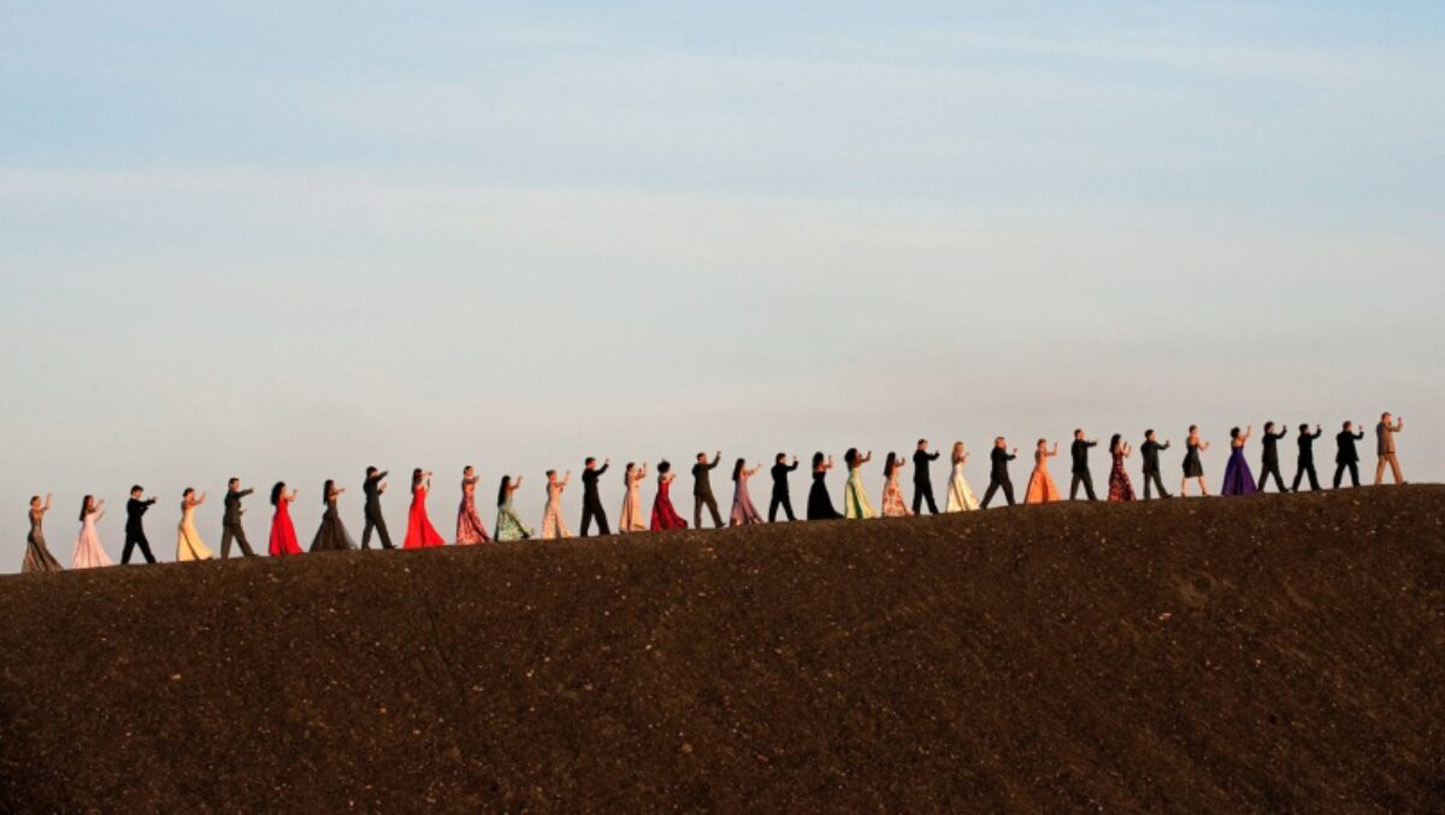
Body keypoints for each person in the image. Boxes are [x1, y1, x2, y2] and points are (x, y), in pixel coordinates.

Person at [403, 469, 446, 548]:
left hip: (421, 506)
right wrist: (427, 473)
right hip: (416, 506)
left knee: (423, 523)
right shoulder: (416, 483)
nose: (422, 474)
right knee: (419, 523)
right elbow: (420, 482)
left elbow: (424, 495)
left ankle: (425, 540)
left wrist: (428, 487)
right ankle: (422, 541)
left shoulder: (419, 483)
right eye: (420, 473)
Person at [310, 479, 357, 551]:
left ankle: (334, 544)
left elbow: (335, 493)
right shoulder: (329, 492)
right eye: (332, 485)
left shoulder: (332, 492)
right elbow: (334, 494)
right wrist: (340, 490)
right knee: (331, 529)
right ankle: (331, 545)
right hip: (331, 512)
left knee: (334, 529)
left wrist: (338, 491)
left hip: (334, 511)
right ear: (329, 486)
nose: (333, 486)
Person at [23, 494, 63, 573]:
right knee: (41, 551)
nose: (39, 502)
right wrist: (40, 512)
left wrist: (48, 498)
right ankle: (49, 566)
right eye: (38, 501)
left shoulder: (38, 509)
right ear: (33, 502)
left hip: (38, 532)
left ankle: (43, 567)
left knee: (39, 551)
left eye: (40, 501)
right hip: (35, 533)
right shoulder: (32, 510)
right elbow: (36, 518)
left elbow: (47, 507)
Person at [71, 495, 112, 569]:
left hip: (92, 530)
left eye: (92, 500)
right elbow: (94, 510)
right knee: (88, 546)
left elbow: (93, 521)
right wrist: (99, 503)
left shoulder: (90, 510)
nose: (92, 502)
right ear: (86, 502)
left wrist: (100, 516)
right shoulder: (86, 510)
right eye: (90, 500)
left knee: (95, 546)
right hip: (87, 531)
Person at [220, 478, 256, 559]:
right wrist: (249, 490)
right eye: (236, 484)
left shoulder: (230, 495)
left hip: (229, 519)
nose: (238, 485)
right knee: (240, 538)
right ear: (230, 485)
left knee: (227, 539)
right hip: (233, 521)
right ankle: (249, 554)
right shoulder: (232, 494)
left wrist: (240, 512)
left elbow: (231, 509)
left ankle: (224, 556)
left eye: (238, 484)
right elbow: (239, 494)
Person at [122, 485, 158, 565]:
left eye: (141, 492)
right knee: (136, 547)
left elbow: (139, 514)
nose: (140, 494)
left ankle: (151, 562)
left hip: (135, 528)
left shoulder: (134, 502)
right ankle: (152, 562)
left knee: (135, 547)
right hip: (134, 529)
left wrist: (145, 506)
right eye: (139, 492)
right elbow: (141, 504)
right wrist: (152, 501)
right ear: (134, 492)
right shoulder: (132, 501)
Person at [455, 466, 491, 545]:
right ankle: (483, 536)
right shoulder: (465, 480)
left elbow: (472, 481)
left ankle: (477, 536)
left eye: (472, 470)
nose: (472, 472)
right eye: (470, 470)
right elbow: (470, 482)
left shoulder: (469, 479)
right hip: (467, 502)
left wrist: (475, 479)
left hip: (471, 501)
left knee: (472, 519)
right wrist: (475, 479)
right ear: (466, 471)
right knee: (472, 519)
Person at [361, 466, 394, 550]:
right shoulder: (371, 481)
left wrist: (381, 490)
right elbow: (377, 478)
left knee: (368, 527)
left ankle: (364, 545)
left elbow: (373, 495)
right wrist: (385, 473)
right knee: (381, 526)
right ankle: (387, 545)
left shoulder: (366, 483)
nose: (377, 474)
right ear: (371, 473)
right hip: (374, 508)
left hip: (369, 507)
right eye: (375, 472)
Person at [650, 461, 689, 531]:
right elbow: (666, 478)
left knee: (668, 511)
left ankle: (667, 525)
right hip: (661, 496)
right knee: (664, 512)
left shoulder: (663, 475)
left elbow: (669, 480)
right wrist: (671, 476)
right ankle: (667, 525)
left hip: (664, 496)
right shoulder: (662, 475)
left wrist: (671, 477)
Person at [177, 488, 213, 561]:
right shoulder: (186, 502)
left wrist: (200, 499)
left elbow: (197, 502)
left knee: (184, 541)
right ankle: (204, 555)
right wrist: (203, 496)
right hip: (187, 523)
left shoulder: (185, 502)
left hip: (183, 523)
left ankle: (184, 557)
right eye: (192, 493)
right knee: (195, 539)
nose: (193, 495)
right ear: (188, 493)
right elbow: (198, 502)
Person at [1220, 426, 1258, 496]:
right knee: (1240, 473)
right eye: (1239, 432)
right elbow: (1247, 436)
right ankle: (1241, 490)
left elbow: (1247, 436)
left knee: (1235, 474)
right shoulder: (1237, 440)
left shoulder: (1235, 440)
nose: (1241, 433)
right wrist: (1248, 430)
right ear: (1237, 434)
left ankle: (1235, 490)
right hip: (1239, 458)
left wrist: (1248, 431)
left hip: (1234, 458)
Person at [980, 438, 1018, 508]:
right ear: (999, 443)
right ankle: (1011, 503)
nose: (1004, 444)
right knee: (1008, 487)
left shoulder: (994, 451)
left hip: (995, 474)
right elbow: (1008, 457)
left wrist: (1004, 449)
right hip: (1001, 474)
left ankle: (983, 504)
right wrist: (1015, 454)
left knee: (991, 490)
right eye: (1003, 442)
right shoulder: (999, 451)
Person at [579, 457, 612, 537]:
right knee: (600, 513)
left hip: (588, 496)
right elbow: (600, 472)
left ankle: (583, 533)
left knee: (587, 515)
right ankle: (604, 531)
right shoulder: (588, 472)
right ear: (589, 463)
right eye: (594, 463)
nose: (595, 465)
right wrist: (606, 464)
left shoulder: (587, 473)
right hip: (592, 497)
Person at [268, 482, 303, 556]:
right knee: (286, 532)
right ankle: (287, 548)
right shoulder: (282, 495)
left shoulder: (277, 496)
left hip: (278, 516)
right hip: (283, 516)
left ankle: (279, 549)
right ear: (280, 489)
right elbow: (292, 499)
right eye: (284, 488)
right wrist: (295, 493)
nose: (285, 489)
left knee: (279, 533)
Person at [494, 476, 534, 541]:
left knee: (505, 523)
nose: (510, 482)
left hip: (503, 508)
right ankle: (525, 533)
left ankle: (503, 536)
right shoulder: (508, 488)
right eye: (509, 481)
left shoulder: (503, 490)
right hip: (508, 508)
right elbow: (517, 486)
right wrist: (519, 480)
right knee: (516, 521)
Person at [692, 452, 725, 529]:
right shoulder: (702, 466)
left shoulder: (695, 467)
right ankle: (718, 523)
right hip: (705, 490)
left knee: (698, 509)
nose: (706, 459)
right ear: (700, 459)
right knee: (713, 505)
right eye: (705, 457)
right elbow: (713, 465)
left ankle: (697, 525)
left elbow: (693, 472)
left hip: (697, 490)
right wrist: (717, 456)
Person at [843, 448, 878, 519]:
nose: (858, 454)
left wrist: (860, 456)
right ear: (854, 456)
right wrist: (868, 454)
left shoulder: (849, 463)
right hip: (856, 481)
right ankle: (862, 512)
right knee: (860, 497)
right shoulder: (857, 461)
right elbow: (867, 459)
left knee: (851, 498)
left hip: (850, 481)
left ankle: (853, 513)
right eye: (857, 453)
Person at [806, 453, 843, 520]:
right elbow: (831, 466)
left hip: (817, 485)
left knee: (821, 501)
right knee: (819, 501)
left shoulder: (815, 466)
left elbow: (814, 476)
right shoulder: (821, 466)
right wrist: (830, 458)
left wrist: (829, 459)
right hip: (819, 486)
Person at [1024, 439, 1062, 504]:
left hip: (1038, 468)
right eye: (1043, 444)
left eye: (1044, 444)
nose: (1044, 445)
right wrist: (1055, 447)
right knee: (1044, 483)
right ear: (1039, 444)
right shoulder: (1041, 451)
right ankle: (1046, 498)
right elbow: (1054, 453)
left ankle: (1039, 498)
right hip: (1041, 469)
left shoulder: (1038, 451)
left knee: (1039, 483)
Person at [944, 442, 979, 512]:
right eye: (959, 447)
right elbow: (957, 461)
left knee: (963, 490)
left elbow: (963, 461)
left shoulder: (960, 454)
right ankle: (960, 505)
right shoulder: (954, 453)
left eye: (962, 447)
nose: (961, 448)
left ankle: (963, 504)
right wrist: (964, 456)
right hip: (956, 475)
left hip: (959, 474)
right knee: (961, 490)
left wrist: (964, 456)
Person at [729, 459, 764, 526]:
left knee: (739, 505)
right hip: (743, 491)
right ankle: (750, 519)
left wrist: (757, 468)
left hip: (738, 491)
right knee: (746, 505)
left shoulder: (737, 471)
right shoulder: (742, 470)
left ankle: (737, 519)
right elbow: (752, 472)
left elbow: (751, 473)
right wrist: (758, 467)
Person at [1256, 422, 1289, 493]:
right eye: (1272, 427)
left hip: (1266, 459)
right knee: (1276, 475)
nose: (1273, 428)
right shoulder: (1270, 436)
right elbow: (1280, 436)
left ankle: (1260, 489)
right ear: (1269, 428)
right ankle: (1282, 489)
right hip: (1272, 459)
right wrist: (1284, 430)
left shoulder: (1265, 437)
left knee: (1264, 475)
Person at [1139, 430, 1172, 500]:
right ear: (1149, 436)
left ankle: (1147, 497)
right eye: (1153, 434)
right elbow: (1162, 447)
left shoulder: (1142, 446)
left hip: (1146, 466)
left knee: (1147, 483)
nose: (1154, 436)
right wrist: (1167, 444)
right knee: (1158, 481)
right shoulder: (1153, 443)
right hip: (1153, 466)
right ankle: (1163, 495)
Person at [541, 469, 573, 540]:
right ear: (550, 476)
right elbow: (564, 483)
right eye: (554, 475)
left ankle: (556, 534)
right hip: (552, 504)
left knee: (557, 519)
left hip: (554, 503)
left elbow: (560, 489)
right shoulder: (552, 483)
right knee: (551, 519)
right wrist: (567, 475)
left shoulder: (551, 483)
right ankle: (549, 534)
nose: (555, 476)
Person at [911, 439, 941, 514]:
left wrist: (932, 455)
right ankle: (934, 510)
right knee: (928, 495)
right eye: (925, 445)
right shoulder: (921, 453)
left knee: (918, 496)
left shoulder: (916, 454)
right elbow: (932, 458)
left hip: (918, 478)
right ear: (920, 445)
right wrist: (937, 454)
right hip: (923, 478)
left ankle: (915, 511)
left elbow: (928, 457)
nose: (926, 446)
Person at [618, 462, 649, 533]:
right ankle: (634, 525)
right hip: (633, 493)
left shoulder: (628, 474)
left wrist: (639, 471)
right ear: (630, 468)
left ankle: (626, 525)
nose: (635, 468)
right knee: (633, 508)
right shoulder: (632, 474)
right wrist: (645, 467)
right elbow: (644, 475)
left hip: (629, 493)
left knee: (628, 509)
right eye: (634, 467)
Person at [1180, 426, 1211, 497]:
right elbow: (1203, 449)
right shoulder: (1196, 438)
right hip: (1194, 458)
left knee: (1186, 475)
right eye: (1196, 430)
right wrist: (1207, 444)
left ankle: (1183, 491)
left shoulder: (1187, 439)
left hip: (1188, 457)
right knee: (1200, 475)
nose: (1197, 431)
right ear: (1193, 431)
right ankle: (1205, 491)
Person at [1375, 412, 1405, 485]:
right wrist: (1400, 423)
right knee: (1395, 465)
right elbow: (1397, 429)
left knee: (1380, 467)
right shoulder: (1385, 424)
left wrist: (1390, 423)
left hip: (1381, 449)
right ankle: (1399, 481)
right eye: (1389, 418)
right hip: (1389, 448)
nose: (1390, 419)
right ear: (1385, 418)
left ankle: (1377, 482)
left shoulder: (1379, 425)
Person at [1291, 424, 1323, 492]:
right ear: (1305, 430)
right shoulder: (1307, 437)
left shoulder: (1300, 438)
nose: (1309, 430)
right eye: (1308, 429)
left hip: (1301, 458)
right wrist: (1319, 429)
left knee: (1299, 474)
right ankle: (1315, 487)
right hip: (1307, 458)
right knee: (1312, 473)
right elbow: (1316, 436)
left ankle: (1294, 487)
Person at [1069, 430, 1099, 501]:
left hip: (1076, 467)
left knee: (1075, 484)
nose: (1084, 435)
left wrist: (1089, 443)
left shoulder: (1074, 444)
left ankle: (1072, 498)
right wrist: (1095, 443)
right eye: (1082, 433)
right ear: (1079, 434)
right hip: (1083, 467)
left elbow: (1086, 444)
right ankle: (1092, 497)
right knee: (1088, 483)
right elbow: (1088, 444)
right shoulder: (1080, 442)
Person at [769, 453, 799, 522]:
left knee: (774, 505)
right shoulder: (783, 467)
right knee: (787, 505)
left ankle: (771, 519)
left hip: (776, 488)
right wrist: (795, 460)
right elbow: (793, 467)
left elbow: (774, 478)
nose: (785, 460)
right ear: (781, 459)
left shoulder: (773, 468)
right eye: (784, 459)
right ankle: (791, 518)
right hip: (783, 489)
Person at [880, 452, 912, 517]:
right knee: (897, 497)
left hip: (888, 483)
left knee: (888, 498)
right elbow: (902, 464)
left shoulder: (888, 465)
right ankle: (896, 510)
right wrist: (903, 460)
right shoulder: (894, 464)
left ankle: (887, 511)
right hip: (894, 483)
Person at [1334, 421, 1365, 488]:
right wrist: (1361, 430)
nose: (1352, 427)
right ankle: (1356, 483)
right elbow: (1359, 437)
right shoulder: (1349, 434)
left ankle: (1336, 484)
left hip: (1342, 456)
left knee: (1339, 471)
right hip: (1350, 456)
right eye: (1351, 426)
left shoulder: (1339, 435)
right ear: (1348, 427)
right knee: (1354, 470)